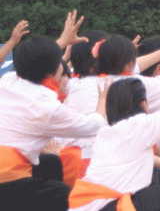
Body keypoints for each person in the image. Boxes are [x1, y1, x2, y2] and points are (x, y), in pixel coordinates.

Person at [68, 53, 160, 211]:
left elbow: (132, 158)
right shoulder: (137, 125)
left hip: (88, 204)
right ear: (143, 103)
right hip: (109, 205)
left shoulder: (107, 131)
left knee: (156, 178)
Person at [0, 33, 108, 211]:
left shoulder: (8, 80)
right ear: (56, 69)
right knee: (75, 200)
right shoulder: (47, 108)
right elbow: (92, 126)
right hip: (7, 179)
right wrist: (103, 98)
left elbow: (34, 61)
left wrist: (62, 41)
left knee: (51, 163)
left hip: (10, 171)